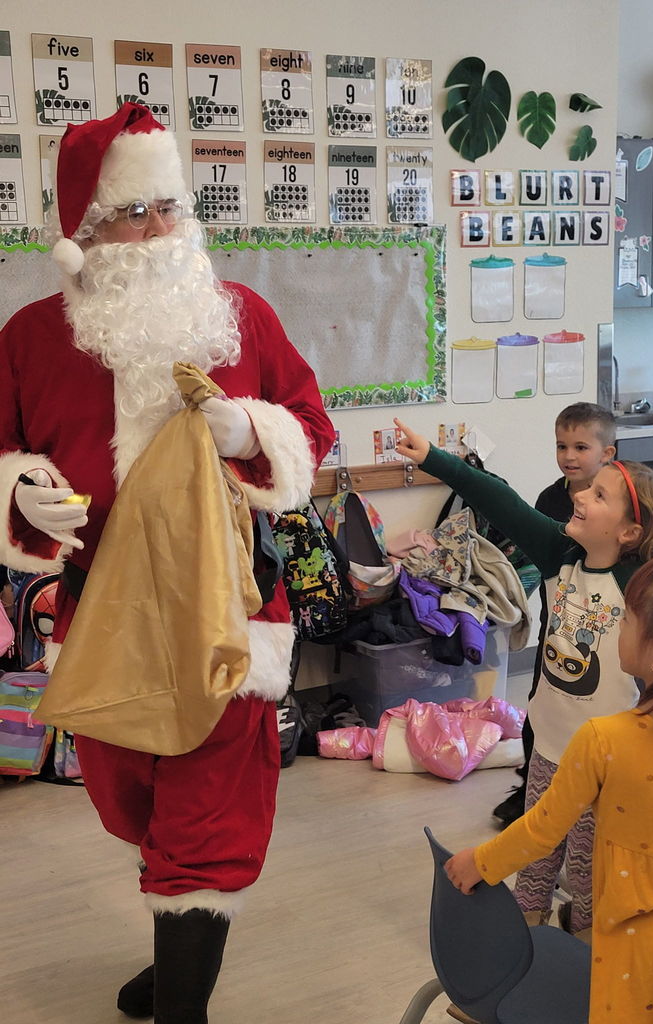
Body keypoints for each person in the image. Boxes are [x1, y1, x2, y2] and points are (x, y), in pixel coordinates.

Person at [0, 103, 335, 1022]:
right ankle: (176, 923)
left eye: (167, 210)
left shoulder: (241, 320)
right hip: (100, 615)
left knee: (206, 819)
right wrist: (18, 495)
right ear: (86, 234)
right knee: (129, 799)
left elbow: (310, 429)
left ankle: (184, 987)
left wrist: (250, 430)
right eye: (132, 214)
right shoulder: (30, 338)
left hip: (228, 616)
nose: (156, 232)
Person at [444, 540, 653, 1024]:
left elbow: (541, 831)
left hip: (636, 955)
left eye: (628, 619)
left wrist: (479, 862)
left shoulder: (603, 739)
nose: (620, 626)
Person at [394, 419, 653, 939]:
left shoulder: (644, 588)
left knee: (585, 876)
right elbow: (504, 502)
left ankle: (582, 966)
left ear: (629, 533)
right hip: (549, 751)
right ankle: (523, 953)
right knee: (533, 856)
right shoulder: (562, 556)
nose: (581, 494)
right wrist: (435, 458)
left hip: (607, 770)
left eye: (599, 495)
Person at [493, 402, 617, 828]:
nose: (569, 455)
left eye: (581, 446)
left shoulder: (621, 502)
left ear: (608, 454)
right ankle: (530, 786)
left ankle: (594, 793)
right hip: (556, 624)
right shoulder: (550, 498)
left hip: (601, 631)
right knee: (538, 705)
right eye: (562, 445)